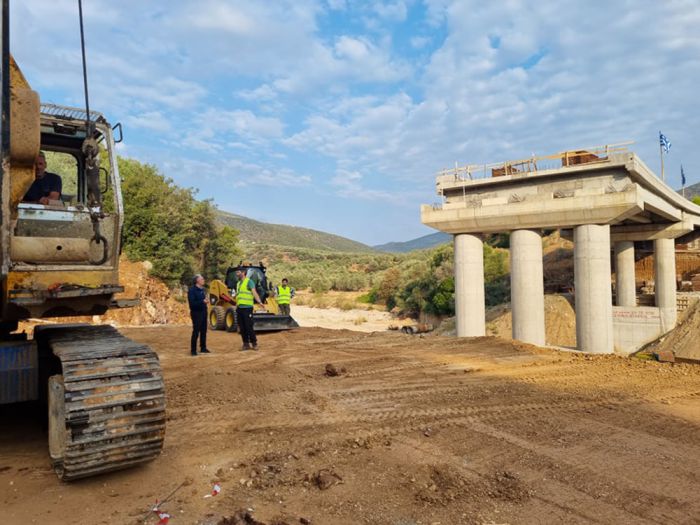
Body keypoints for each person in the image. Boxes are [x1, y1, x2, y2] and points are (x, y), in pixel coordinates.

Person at [235, 267, 262, 351]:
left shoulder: (249, 282)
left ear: (243, 273)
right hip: (239, 308)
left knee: (249, 327)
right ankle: (245, 344)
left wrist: (259, 302)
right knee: (242, 327)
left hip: (247, 308)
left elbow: (254, 293)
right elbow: (238, 296)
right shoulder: (238, 283)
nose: (237, 273)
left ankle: (254, 343)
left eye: (238, 272)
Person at [187, 274, 211, 356]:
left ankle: (203, 348)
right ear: (197, 281)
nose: (203, 280)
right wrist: (202, 302)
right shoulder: (192, 291)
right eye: (202, 279)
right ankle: (193, 350)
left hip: (204, 312)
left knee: (204, 331)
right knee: (196, 331)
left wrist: (205, 302)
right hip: (196, 313)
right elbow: (192, 304)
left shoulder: (202, 290)